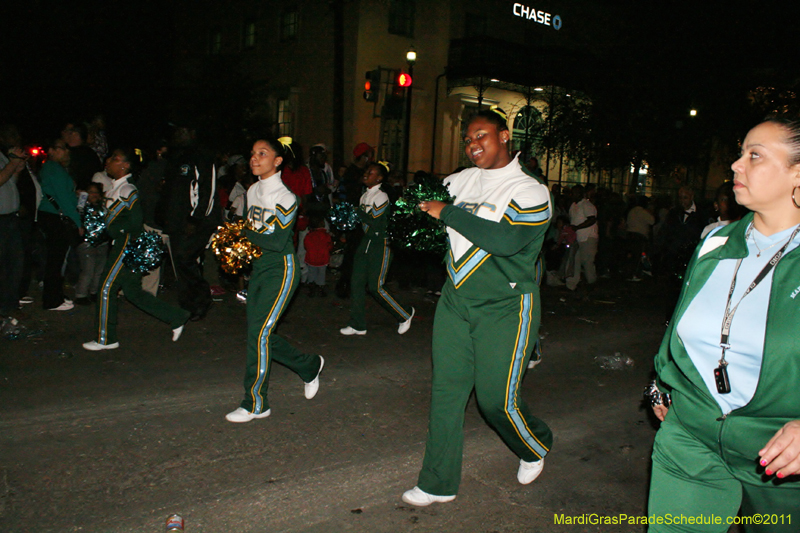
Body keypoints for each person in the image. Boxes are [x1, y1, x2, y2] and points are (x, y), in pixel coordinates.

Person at [646, 118, 800, 532]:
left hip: (782, 459)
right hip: (690, 438)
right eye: (739, 153)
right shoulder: (714, 241)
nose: (735, 165)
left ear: (797, 174)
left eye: (754, 155)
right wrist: (663, 379)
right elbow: (679, 322)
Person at [405, 107, 553, 506]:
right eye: (468, 139)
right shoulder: (455, 181)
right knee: (447, 392)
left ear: (505, 136)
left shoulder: (531, 190)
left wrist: (447, 212)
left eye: (482, 135)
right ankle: (437, 482)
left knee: (495, 401)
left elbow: (505, 241)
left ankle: (534, 443)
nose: (473, 145)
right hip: (456, 299)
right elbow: (432, 229)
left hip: (506, 305)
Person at [225, 136, 324, 423]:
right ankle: (309, 366)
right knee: (260, 335)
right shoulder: (252, 190)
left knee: (259, 335)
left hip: (281, 270)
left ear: (278, 161)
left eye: (263, 153)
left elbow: (279, 240)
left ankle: (256, 402)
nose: (254, 159)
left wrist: (241, 233)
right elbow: (252, 232)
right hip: (259, 269)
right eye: (253, 153)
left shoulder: (286, 198)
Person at [82, 148, 190, 351]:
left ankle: (106, 338)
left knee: (106, 288)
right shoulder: (116, 188)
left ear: (126, 165)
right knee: (132, 292)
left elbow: (135, 220)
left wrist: (116, 231)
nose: (109, 161)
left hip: (126, 244)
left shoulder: (127, 190)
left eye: (115, 158)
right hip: (124, 242)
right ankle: (177, 316)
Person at [339, 161, 414, 336]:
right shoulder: (364, 195)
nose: (366, 174)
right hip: (367, 241)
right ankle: (357, 324)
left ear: (379, 178)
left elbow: (373, 221)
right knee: (356, 283)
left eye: (371, 172)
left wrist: (356, 212)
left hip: (381, 243)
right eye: (366, 171)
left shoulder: (381, 196)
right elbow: (362, 222)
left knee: (376, 286)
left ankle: (404, 314)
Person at [158, 119, 219, 321]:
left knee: (185, 258)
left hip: (196, 221)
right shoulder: (176, 156)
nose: (177, 135)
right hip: (176, 221)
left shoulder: (201, 155)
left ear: (192, 132)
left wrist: (196, 218)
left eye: (180, 130)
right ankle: (187, 305)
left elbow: (207, 189)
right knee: (179, 262)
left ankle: (202, 299)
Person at [38, 139, 81, 311]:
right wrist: (78, 222)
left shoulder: (56, 168)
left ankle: (56, 295)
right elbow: (63, 198)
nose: (66, 153)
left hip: (54, 215)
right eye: (63, 149)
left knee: (57, 258)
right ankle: (51, 300)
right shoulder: (52, 167)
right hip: (53, 215)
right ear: (52, 150)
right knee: (55, 259)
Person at [0, 124, 27, 315]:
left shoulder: (3, 157)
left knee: (16, 264)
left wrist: (17, 169)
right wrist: (13, 162)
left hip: (11, 218)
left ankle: (10, 305)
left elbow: (9, 183)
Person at [73, 182, 110, 305]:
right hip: (86, 243)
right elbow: (78, 214)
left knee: (99, 270)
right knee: (88, 270)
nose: (93, 194)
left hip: (103, 243)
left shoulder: (104, 207)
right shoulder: (81, 206)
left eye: (96, 192)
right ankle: (81, 295)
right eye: (90, 192)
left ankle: (95, 292)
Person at [565, 184, 598, 291]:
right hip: (577, 238)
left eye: (574, 192)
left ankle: (591, 282)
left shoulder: (586, 205)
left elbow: (592, 219)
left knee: (587, 261)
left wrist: (577, 227)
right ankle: (571, 284)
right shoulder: (573, 205)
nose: (572, 195)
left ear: (580, 193)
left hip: (588, 237)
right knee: (574, 261)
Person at [303, 214, 333, 297]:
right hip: (323, 259)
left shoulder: (309, 235)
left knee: (311, 273)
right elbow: (329, 246)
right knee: (321, 274)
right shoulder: (326, 235)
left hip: (311, 259)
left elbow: (306, 246)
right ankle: (320, 288)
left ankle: (312, 288)